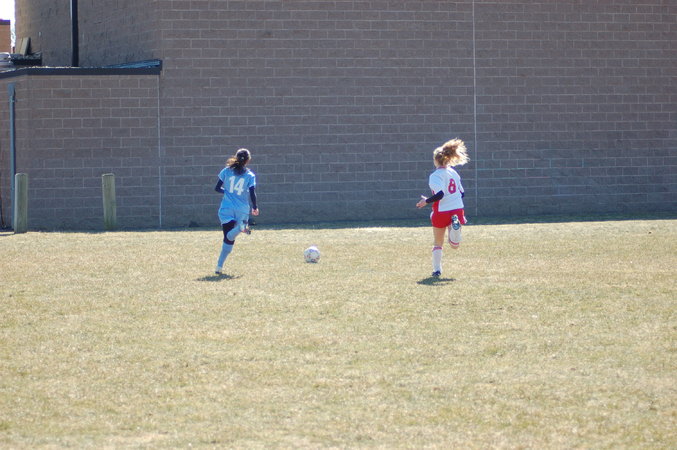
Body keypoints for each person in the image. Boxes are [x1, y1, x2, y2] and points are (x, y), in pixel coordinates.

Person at [416, 138, 469, 277]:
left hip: (441, 210)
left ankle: (437, 270)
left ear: (436, 160)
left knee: (438, 243)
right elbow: (462, 193)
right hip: (457, 209)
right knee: (454, 245)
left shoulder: (435, 176)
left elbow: (440, 194)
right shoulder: (454, 173)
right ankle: (455, 231)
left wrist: (426, 201)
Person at [214, 148, 259, 274]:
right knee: (231, 237)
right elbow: (252, 192)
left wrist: (228, 192)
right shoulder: (250, 175)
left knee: (228, 238)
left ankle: (219, 267)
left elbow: (217, 188)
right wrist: (255, 207)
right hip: (242, 209)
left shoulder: (226, 171)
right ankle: (241, 227)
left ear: (236, 157)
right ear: (248, 160)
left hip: (226, 208)